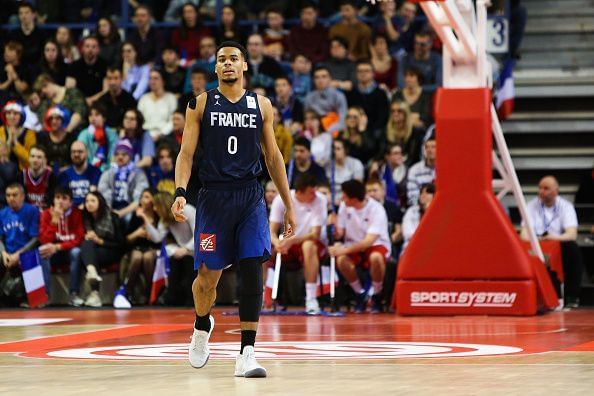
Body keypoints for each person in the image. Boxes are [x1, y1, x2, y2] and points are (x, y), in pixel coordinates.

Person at [171, 41, 296, 377]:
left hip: (250, 197)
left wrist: (287, 203)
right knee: (206, 280)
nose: (227, 64)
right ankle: (201, 326)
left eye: (233, 59)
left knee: (252, 265)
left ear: (244, 67)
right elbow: (186, 154)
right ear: (215, 68)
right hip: (213, 198)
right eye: (221, 59)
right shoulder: (199, 104)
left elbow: (273, 158)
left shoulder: (262, 105)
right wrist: (180, 191)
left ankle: (247, 353)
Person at [521, 176, 584, 308]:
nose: (542, 191)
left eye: (546, 188)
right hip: (537, 244)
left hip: (556, 243)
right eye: (540, 188)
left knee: (572, 249)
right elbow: (524, 234)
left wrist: (552, 238)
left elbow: (571, 234)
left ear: (556, 190)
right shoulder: (531, 206)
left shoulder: (566, 207)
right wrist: (536, 240)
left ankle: (572, 296)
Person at [329, 179, 391, 313]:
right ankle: (360, 294)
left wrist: (343, 250)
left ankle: (377, 294)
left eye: (345, 196)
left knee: (376, 258)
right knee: (342, 260)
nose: (342, 198)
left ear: (354, 198)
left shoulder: (377, 209)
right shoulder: (344, 206)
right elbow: (340, 234)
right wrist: (334, 227)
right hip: (352, 244)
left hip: (375, 244)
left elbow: (368, 242)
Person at [269, 174, 327, 314]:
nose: (315, 194)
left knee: (309, 246)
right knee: (263, 250)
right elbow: (271, 231)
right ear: (300, 191)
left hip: (307, 242)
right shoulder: (281, 199)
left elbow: (315, 234)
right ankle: (266, 297)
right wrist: (277, 243)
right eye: (311, 192)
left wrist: (291, 240)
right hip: (286, 243)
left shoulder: (320, 200)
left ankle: (311, 298)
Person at [38, 186, 84, 306]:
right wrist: (54, 220)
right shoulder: (46, 214)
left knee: (77, 252)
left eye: (64, 198)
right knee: (41, 251)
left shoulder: (77, 214)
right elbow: (44, 240)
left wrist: (58, 247)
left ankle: (73, 294)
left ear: (70, 202)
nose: (60, 201)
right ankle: (45, 296)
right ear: (53, 200)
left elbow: (78, 239)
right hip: (52, 254)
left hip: (67, 251)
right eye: (57, 197)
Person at [0, 183, 44, 306]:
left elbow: (35, 238)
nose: (11, 198)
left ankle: (31, 300)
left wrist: (18, 255)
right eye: (8, 195)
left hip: (26, 250)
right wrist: (4, 253)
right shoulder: (2, 213)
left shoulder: (32, 211)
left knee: (31, 257)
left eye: (14, 195)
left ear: (23, 196)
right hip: (7, 252)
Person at [81, 191, 125, 307]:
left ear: (100, 202)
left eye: (92, 201)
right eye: (87, 201)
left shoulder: (113, 218)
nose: (89, 204)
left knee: (89, 251)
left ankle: (94, 289)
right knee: (87, 244)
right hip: (94, 252)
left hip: (113, 251)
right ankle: (92, 274)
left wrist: (99, 241)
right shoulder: (86, 218)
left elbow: (121, 244)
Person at [118, 188, 160, 306]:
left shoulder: (158, 215)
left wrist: (150, 235)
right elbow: (127, 239)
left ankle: (150, 293)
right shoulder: (135, 216)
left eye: (146, 197)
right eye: (142, 197)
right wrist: (137, 233)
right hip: (137, 247)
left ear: (153, 199)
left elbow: (162, 237)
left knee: (147, 257)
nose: (143, 200)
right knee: (137, 257)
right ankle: (127, 292)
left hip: (153, 248)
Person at [98, 139, 149, 220]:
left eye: (124, 154)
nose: (120, 157)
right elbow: (103, 195)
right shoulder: (108, 173)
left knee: (130, 218)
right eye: (117, 154)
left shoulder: (139, 174)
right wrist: (111, 212)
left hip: (131, 210)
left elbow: (139, 200)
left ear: (130, 156)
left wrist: (120, 213)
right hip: (111, 208)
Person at [346, 61, 389, 133]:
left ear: (373, 74)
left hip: (375, 131)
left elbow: (383, 118)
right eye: (360, 71)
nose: (363, 74)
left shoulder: (380, 94)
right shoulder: (351, 93)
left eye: (366, 71)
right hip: (354, 130)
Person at [304, 66, 348, 135]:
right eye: (317, 77)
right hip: (315, 132)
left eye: (324, 76)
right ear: (313, 80)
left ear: (330, 78)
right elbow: (307, 119)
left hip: (335, 132)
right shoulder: (309, 97)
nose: (320, 80)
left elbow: (342, 121)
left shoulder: (339, 96)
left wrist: (327, 131)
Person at [66, 36, 108, 106]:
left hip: (99, 102)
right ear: (82, 49)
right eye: (87, 46)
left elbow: (106, 91)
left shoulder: (104, 65)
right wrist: (83, 101)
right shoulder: (74, 66)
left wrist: (91, 100)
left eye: (93, 47)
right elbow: (70, 90)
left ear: (98, 49)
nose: (90, 49)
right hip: (78, 102)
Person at [138, 69, 177, 142]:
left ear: (163, 81)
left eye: (156, 78)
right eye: (150, 78)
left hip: (165, 136)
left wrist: (161, 134)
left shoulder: (171, 98)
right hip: (145, 135)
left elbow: (172, 120)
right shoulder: (143, 99)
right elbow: (139, 120)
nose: (152, 82)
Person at [58, 141, 101, 207]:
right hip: (70, 212)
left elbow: (93, 196)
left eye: (80, 151)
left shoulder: (95, 172)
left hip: (88, 210)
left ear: (87, 153)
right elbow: (63, 198)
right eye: (73, 152)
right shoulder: (64, 174)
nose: (76, 154)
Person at [76, 103, 118, 171]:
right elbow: (81, 155)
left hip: (107, 170)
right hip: (88, 170)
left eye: (97, 115)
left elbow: (113, 155)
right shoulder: (83, 134)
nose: (93, 118)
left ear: (104, 118)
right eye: (90, 115)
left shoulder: (111, 134)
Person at [383, 99, 424, 166]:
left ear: (406, 113)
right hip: (389, 164)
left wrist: (401, 166)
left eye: (399, 111)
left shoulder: (415, 132)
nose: (395, 114)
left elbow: (413, 156)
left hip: (409, 165)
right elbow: (383, 152)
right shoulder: (386, 130)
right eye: (392, 111)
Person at [37, 105, 76, 173]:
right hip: (46, 172)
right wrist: (45, 167)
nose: (54, 121)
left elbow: (75, 158)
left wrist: (68, 169)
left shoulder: (72, 137)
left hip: (69, 172)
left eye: (57, 118)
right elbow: (38, 156)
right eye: (51, 118)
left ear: (64, 120)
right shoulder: (42, 137)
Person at [327, 138, 364, 206]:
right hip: (332, 201)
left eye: (338, 149)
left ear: (345, 150)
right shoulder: (327, 165)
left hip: (349, 199)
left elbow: (357, 188)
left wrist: (342, 200)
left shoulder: (355, 164)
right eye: (333, 149)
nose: (335, 152)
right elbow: (325, 187)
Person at [0, 100, 36, 169]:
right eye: (8, 113)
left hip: (23, 171)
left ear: (21, 116)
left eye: (15, 113)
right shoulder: (1, 130)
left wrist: (15, 143)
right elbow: (2, 157)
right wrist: (9, 140)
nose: (11, 116)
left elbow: (31, 160)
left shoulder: (29, 133)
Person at [22, 145, 58, 210]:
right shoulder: (21, 175)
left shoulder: (51, 177)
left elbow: (53, 201)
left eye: (39, 157)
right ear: (28, 158)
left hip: (45, 212)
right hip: (27, 213)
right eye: (32, 156)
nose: (35, 160)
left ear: (45, 160)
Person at [402, 182, 434, 253]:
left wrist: (428, 210)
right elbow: (407, 233)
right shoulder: (411, 211)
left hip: (432, 248)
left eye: (428, 193)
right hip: (411, 247)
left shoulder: (439, 212)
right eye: (421, 193)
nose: (423, 195)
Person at [407, 137, 436, 206]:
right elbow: (412, 197)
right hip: (420, 208)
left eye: (433, 147)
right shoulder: (414, 170)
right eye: (427, 147)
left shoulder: (446, 168)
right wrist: (424, 206)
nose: (429, 150)